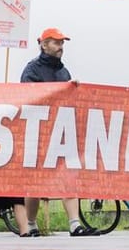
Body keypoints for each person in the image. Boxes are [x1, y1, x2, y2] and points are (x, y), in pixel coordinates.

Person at [20, 28, 90, 237]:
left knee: (68, 175)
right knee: (36, 180)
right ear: (44, 45)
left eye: (62, 43)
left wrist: (73, 89)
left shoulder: (63, 71)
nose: (61, 47)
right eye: (56, 43)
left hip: (61, 131)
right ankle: (31, 224)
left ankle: (74, 224)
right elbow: (26, 96)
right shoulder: (31, 69)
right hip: (39, 132)